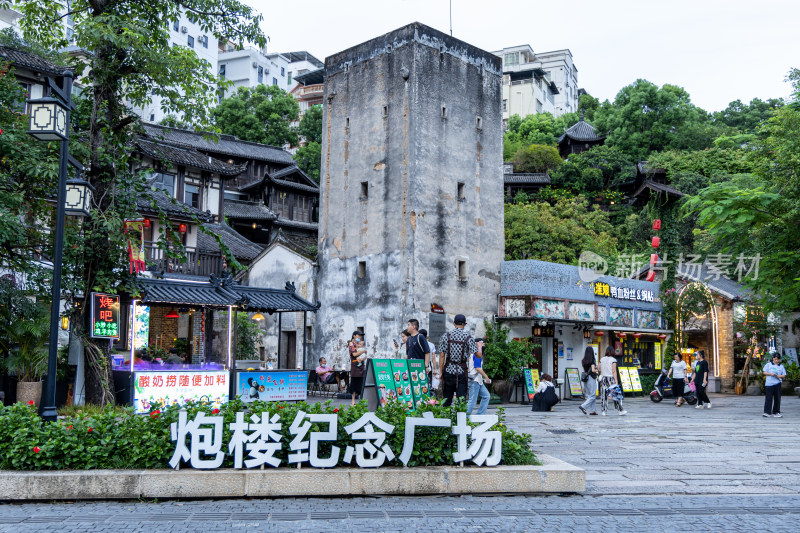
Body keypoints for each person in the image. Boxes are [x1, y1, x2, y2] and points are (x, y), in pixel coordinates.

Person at [437, 314, 477, 407]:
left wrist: (441, 372)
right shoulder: (468, 337)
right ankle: (460, 419)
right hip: (461, 372)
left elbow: (442, 355)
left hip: (448, 371)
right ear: (465, 324)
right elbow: (476, 353)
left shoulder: (445, 336)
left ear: (454, 323)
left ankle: (446, 418)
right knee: (461, 400)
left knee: (446, 399)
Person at [466, 337, 491, 416]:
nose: (484, 345)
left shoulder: (475, 354)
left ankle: (480, 415)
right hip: (475, 380)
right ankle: (464, 418)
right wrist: (486, 377)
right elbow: (477, 368)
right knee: (472, 401)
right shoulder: (477, 355)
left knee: (486, 396)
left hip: (478, 380)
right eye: (482, 343)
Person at [599, 346, 627, 416]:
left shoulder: (602, 359)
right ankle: (620, 410)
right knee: (615, 395)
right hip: (611, 379)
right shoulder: (613, 360)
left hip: (603, 378)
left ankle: (604, 411)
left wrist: (603, 371)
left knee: (604, 395)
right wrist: (616, 381)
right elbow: (614, 371)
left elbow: (598, 368)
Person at [762, 352, 786, 418]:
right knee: (768, 398)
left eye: (777, 359)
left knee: (777, 398)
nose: (776, 361)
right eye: (775, 359)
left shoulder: (781, 366)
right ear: (772, 358)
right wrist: (771, 374)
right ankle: (767, 412)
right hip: (769, 384)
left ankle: (776, 412)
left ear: (779, 359)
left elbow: (784, 375)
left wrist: (779, 376)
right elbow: (764, 372)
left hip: (777, 384)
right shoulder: (768, 365)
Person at [348, 331, 367, 405]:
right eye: (358, 335)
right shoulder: (351, 344)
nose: (359, 337)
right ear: (354, 336)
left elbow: (365, 355)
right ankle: (353, 401)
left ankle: (360, 400)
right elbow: (354, 354)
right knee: (354, 383)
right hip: (355, 367)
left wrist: (363, 355)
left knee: (361, 383)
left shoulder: (360, 345)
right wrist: (363, 351)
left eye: (360, 336)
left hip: (361, 366)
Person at [579, 347, 598, 416]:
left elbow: (585, 370)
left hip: (585, 378)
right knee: (593, 395)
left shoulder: (583, 360)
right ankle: (583, 406)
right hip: (591, 378)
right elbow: (593, 370)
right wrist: (597, 369)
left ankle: (593, 411)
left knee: (590, 395)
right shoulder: (592, 360)